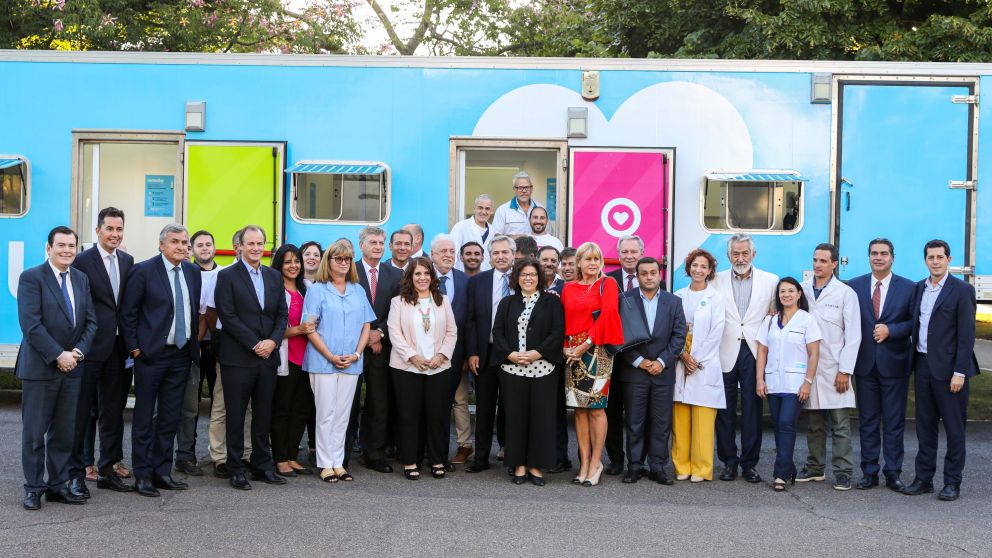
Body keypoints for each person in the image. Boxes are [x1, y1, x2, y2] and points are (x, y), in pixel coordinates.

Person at [17, 226, 98, 510]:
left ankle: (56, 486)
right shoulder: (31, 278)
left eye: (71, 245)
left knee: (64, 433)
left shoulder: (81, 279)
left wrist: (76, 353)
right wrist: (57, 355)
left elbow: (91, 322)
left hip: (73, 367)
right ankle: (33, 488)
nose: (66, 250)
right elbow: (31, 325)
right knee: (34, 434)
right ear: (48, 248)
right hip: (41, 368)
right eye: (61, 245)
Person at [120, 223, 201, 497]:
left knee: (169, 418)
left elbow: (192, 312)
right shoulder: (143, 271)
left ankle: (162, 471)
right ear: (162, 245)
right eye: (175, 242)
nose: (181, 247)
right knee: (144, 418)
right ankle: (142, 475)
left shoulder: (192, 271)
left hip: (180, 355)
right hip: (150, 356)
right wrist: (135, 350)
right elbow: (128, 314)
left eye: (184, 242)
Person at [214, 225, 288, 490]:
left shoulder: (273, 276)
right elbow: (227, 315)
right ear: (240, 246)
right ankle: (235, 468)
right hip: (239, 358)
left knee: (263, 415)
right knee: (235, 415)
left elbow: (282, 314)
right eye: (251, 243)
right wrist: (255, 343)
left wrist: (272, 342)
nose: (256, 248)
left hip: (267, 357)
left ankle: (261, 465)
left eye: (261, 244)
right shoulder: (227, 276)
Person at [904, 239, 979, 502]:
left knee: (954, 429)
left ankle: (952, 483)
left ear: (948, 259)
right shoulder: (918, 289)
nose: (935, 261)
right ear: (925, 260)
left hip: (950, 371)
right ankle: (923, 479)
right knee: (925, 427)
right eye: (930, 257)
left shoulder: (961, 290)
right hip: (923, 365)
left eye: (940, 257)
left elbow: (967, 335)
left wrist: (960, 371)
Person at [69, 208, 135, 494]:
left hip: (118, 350)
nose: (115, 234)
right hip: (90, 348)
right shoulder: (82, 261)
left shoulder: (128, 260)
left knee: (112, 411)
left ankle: (108, 466)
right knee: (82, 412)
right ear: (98, 231)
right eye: (109, 228)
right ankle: (81, 468)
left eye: (119, 229)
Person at [302, 240, 376, 483]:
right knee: (326, 413)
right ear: (329, 261)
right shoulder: (317, 290)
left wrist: (356, 354)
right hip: (324, 362)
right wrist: (331, 356)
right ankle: (325, 464)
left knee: (343, 415)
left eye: (347, 259)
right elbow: (310, 328)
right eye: (338, 259)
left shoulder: (358, 290)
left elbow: (367, 325)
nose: (343, 263)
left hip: (352, 362)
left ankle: (338, 462)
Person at [712, 233, 779, 483]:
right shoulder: (715, 280)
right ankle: (728, 462)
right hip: (724, 350)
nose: (740, 258)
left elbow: (774, 315)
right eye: (735, 254)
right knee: (724, 411)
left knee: (753, 410)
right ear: (728, 256)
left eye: (744, 253)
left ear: (753, 254)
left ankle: (750, 464)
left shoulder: (771, 281)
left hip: (755, 352)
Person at [492, 258, 565, 486]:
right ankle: (519, 465)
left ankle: (535, 465)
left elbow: (557, 331)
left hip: (543, 368)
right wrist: (509, 354)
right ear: (517, 278)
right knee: (515, 418)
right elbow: (498, 332)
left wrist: (538, 353)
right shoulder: (507, 303)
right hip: (512, 368)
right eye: (523, 274)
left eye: (532, 274)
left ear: (539, 278)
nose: (528, 278)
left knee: (541, 419)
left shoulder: (551, 302)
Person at [849, 238, 914, 492]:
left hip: (895, 364)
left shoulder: (908, 288)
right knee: (867, 421)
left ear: (892, 258)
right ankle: (869, 472)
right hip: (864, 365)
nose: (878, 257)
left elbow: (913, 323)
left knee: (895, 422)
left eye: (883, 253)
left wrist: (892, 330)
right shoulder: (854, 286)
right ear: (868, 257)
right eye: (874, 253)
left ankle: (893, 472)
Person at [387, 257, 458, 480]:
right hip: (407, 368)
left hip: (438, 367)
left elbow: (451, 331)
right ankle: (410, 461)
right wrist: (412, 356)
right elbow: (394, 333)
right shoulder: (398, 302)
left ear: (432, 277)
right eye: (417, 274)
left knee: (437, 416)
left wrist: (442, 355)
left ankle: (437, 460)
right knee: (409, 416)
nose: (422, 278)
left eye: (426, 274)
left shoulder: (442, 300)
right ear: (410, 277)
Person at [798, 243, 861, 491]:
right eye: (815, 260)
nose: (817, 265)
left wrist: (845, 370)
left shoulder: (845, 293)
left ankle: (843, 471)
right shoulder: (802, 290)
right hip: (810, 367)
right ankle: (815, 468)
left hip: (836, 367)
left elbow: (854, 335)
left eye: (823, 261)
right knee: (814, 422)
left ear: (834, 264)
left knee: (840, 424)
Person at [619, 256, 686, 485]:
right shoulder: (624, 300)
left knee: (660, 422)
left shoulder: (673, 302)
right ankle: (635, 466)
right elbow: (619, 336)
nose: (648, 277)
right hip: (634, 371)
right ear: (637, 276)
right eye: (644, 273)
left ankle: (657, 466)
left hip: (663, 372)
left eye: (652, 273)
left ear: (660, 275)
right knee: (635, 422)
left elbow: (679, 337)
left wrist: (661, 361)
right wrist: (638, 361)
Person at [562, 242, 624, 486]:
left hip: (597, 351)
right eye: (587, 259)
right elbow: (562, 320)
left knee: (596, 408)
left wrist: (585, 344)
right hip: (572, 354)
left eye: (597, 259)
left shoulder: (607, 284)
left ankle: (597, 462)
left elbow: (608, 315)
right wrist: (564, 347)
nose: (592, 263)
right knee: (578, 409)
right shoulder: (568, 288)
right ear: (578, 262)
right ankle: (584, 463)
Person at [755, 277, 821, 492]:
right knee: (779, 425)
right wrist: (759, 379)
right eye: (782, 291)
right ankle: (789, 466)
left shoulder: (807, 320)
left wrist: (807, 382)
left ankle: (780, 474)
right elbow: (762, 351)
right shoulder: (770, 321)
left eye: (791, 291)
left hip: (796, 384)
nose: (786, 295)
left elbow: (814, 353)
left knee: (786, 423)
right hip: (773, 382)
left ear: (799, 294)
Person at [672, 249, 725, 482]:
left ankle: (702, 468)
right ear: (688, 268)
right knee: (680, 419)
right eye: (694, 265)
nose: (698, 270)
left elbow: (717, 331)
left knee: (703, 420)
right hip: (680, 357)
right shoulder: (677, 295)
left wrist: (696, 359)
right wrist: (683, 355)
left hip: (704, 362)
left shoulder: (716, 298)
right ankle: (682, 466)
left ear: (710, 270)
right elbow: (672, 329)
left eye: (703, 266)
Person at [464, 235, 516, 473]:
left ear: (513, 255)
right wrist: (472, 352)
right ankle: (481, 457)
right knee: (484, 407)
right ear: (490, 256)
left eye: (505, 252)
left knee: (511, 407)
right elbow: (471, 320)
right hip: (486, 352)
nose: (501, 256)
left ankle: (511, 454)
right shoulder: (479, 282)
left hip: (514, 355)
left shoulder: (523, 279)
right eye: (496, 253)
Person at [353, 226, 403, 474]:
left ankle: (374, 453)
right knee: (348, 403)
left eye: (381, 243)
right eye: (373, 242)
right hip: (350, 346)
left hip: (380, 347)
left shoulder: (395, 275)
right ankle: (339, 452)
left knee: (378, 402)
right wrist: (364, 335)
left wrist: (378, 333)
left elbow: (397, 310)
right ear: (361, 245)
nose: (378, 246)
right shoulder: (349, 270)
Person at [205, 228, 252, 479]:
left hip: (252, 346)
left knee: (247, 406)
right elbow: (211, 313)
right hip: (229, 344)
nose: (252, 248)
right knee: (223, 403)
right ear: (237, 247)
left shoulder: (260, 275)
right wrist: (220, 339)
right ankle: (220, 456)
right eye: (245, 244)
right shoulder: (222, 275)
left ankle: (245, 452)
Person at [270, 244, 316, 477]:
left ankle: (291, 456)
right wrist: (298, 329)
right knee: (282, 410)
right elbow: (271, 329)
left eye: (296, 261)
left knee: (301, 410)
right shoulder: (273, 289)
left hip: (307, 359)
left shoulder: (306, 288)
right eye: (288, 261)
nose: (293, 265)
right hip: (284, 359)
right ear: (279, 264)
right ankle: (279, 459)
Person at [602, 234, 646, 476]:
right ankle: (616, 460)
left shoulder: (651, 279)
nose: (629, 256)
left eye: (633, 252)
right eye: (624, 252)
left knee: (638, 416)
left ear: (641, 253)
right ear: (618, 256)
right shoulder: (608, 280)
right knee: (612, 413)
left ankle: (638, 461)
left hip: (642, 359)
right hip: (614, 358)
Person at [429, 234, 471, 467]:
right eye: (443, 251)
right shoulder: (423, 278)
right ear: (432, 255)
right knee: (435, 404)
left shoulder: (465, 280)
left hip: (458, 354)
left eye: (451, 251)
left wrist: (467, 353)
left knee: (459, 400)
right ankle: (434, 453)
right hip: (428, 355)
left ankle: (463, 447)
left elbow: (470, 320)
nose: (448, 255)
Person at [538, 245, 570, 472]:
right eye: (545, 259)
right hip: (534, 356)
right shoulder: (530, 284)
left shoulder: (567, 288)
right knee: (538, 410)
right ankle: (537, 455)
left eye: (553, 260)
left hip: (559, 356)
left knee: (557, 410)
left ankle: (560, 457)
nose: (549, 263)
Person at [450, 195, 493, 272]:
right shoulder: (461, 227)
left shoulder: (493, 230)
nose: (483, 212)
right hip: (463, 274)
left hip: (485, 274)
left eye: (487, 209)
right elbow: (452, 252)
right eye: (480, 208)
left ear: (491, 211)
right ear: (474, 209)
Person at [493, 171, 543, 236]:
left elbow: (548, 233)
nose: (524, 191)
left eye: (527, 187)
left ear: (531, 189)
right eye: (520, 188)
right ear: (514, 189)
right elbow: (495, 236)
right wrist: (514, 237)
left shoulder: (540, 208)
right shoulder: (503, 210)